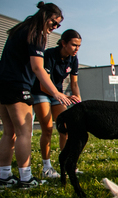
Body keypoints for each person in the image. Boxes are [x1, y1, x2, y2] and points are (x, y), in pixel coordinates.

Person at [0, 2, 72, 188]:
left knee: (9, 133)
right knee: (24, 133)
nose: (54, 28)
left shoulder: (19, 29)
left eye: (58, 26)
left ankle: (4, 176)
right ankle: (26, 178)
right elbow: (37, 67)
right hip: (18, 87)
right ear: (46, 17)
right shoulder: (36, 33)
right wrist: (56, 92)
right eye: (54, 23)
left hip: (4, 85)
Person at [31, 29, 82, 178]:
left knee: (65, 128)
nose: (76, 49)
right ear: (63, 43)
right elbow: (42, 84)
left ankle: (67, 164)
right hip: (41, 92)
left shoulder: (73, 59)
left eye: (79, 46)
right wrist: (59, 95)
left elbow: (74, 83)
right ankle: (47, 167)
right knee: (47, 129)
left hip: (58, 95)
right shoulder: (49, 55)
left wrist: (78, 99)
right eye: (74, 45)